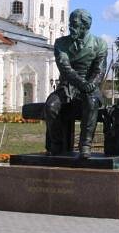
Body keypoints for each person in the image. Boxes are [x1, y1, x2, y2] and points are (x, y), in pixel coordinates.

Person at [43, 9, 108, 156]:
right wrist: (82, 84)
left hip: (89, 86)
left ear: (85, 26)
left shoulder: (99, 44)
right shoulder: (61, 43)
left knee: (91, 103)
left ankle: (85, 144)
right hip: (67, 86)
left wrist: (91, 85)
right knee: (51, 106)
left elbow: (99, 70)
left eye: (75, 25)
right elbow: (65, 68)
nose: (71, 27)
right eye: (70, 24)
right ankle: (57, 143)